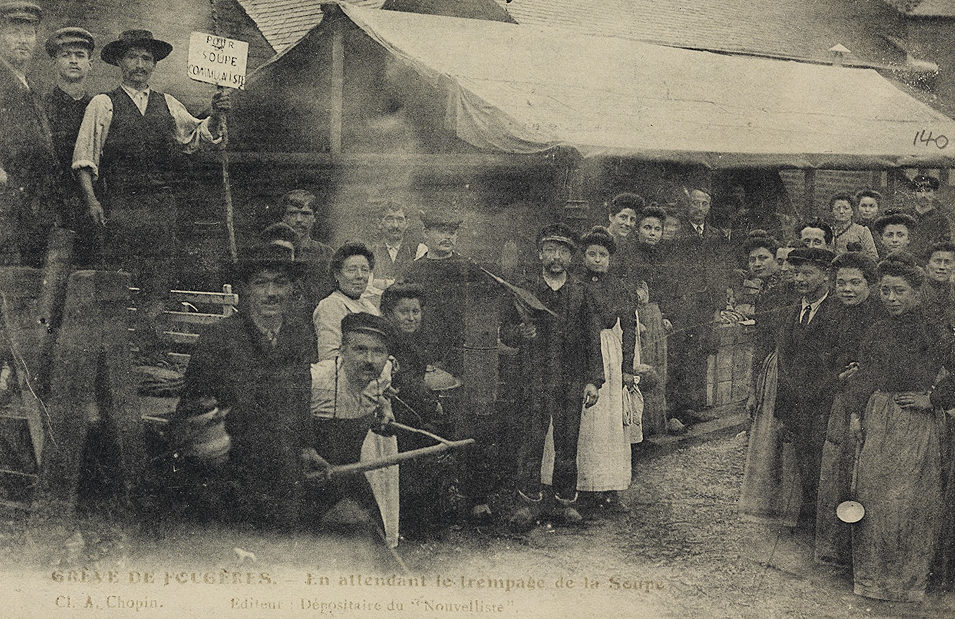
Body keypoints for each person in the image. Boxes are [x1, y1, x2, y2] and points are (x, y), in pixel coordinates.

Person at [72, 29, 230, 361]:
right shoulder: (104, 104)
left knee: (159, 278)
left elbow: (197, 137)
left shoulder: (168, 103)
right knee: (119, 276)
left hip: (161, 207)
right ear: (119, 61)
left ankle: (149, 346)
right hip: (121, 205)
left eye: (147, 58)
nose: (140, 64)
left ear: (154, 64)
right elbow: (85, 157)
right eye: (133, 57)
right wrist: (92, 200)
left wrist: (215, 114)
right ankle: (115, 351)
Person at [170, 241, 317, 530]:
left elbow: (302, 396)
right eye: (261, 283)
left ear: (291, 290)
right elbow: (193, 410)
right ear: (245, 290)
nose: (272, 293)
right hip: (230, 477)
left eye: (280, 283)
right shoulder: (217, 340)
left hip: (285, 473)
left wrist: (307, 447)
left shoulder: (299, 335)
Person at [846, 253, 955, 601]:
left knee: (910, 502)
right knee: (873, 498)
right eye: (886, 291)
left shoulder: (932, 330)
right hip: (879, 417)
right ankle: (872, 580)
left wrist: (934, 399)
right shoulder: (877, 329)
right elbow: (866, 374)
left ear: (916, 293)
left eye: (900, 291)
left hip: (915, 424)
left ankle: (908, 584)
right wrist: (856, 412)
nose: (891, 298)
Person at [502, 223, 601, 530]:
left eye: (563, 252)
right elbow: (504, 331)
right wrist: (521, 332)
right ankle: (528, 503)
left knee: (568, 442)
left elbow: (591, 339)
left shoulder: (581, 293)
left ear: (572, 257)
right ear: (539, 253)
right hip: (535, 378)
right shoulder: (525, 290)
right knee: (531, 440)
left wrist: (593, 380)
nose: (556, 257)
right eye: (550, 251)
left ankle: (564, 501)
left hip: (571, 381)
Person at [814, 252, 883, 566]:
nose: (847, 289)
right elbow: (825, 362)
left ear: (870, 283)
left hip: (870, 403)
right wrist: (835, 376)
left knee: (864, 473)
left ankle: (864, 551)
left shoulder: (880, 316)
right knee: (838, 471)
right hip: (841, 401)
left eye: (856, 282)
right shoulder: (833, 313)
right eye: (841, 282)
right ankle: (839, 547)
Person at [309, 312, 401, 548]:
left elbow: (381, 393)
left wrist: (385, 407)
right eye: (359, 350)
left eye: (378, 352)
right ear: (342, 351)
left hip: (352, 468)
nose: (369, 360)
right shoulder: (316, 380)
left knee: (374, 532)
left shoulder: (383, 375)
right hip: (311, 469)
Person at [567, 227, 637, 511]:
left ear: (610, 259)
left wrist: (628, 367)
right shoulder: (573, 284)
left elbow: (629, 327)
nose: (597, 260)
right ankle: (579, 486)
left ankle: (608, 487)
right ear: (583, 256)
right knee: (581, 421)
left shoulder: (618, 287)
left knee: (607, 422)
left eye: (603, 255)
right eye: (592, 254)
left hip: (608, 353)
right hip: (577, 351)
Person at [774, 246, 841, 528]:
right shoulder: (794, 310)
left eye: (808, 273)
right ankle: (806, 520)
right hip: (797, 404)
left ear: (826, 275)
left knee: (822, 465)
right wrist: (783, 410)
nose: (800, 279)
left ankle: (819, 525)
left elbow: (836, 364)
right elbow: (784, 361)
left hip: (824, 402)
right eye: (796, 272)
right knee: (802, 462)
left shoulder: (838, 311)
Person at [739, 233, 801, 527]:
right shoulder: (765, 294)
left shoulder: (788, 292)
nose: (757, 263)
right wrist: (752, 388)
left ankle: (786, 507)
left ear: (776, 261)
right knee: (767, 437)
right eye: (752, 259)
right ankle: (769, 504)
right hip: (769, 367)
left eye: (763, 258)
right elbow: (760, 344)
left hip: (788, 367)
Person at [379, 283, 446, 536]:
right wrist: (432, 404)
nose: (410, 318)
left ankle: (418, 520)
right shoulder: (389, 340)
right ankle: (409, 523)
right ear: (389, 313)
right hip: (395, 409)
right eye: (403, 312)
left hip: (410, 407)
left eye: (415, 311)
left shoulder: (414, 339)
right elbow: (405, 379)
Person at [0, 2, 58, 266]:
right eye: (14, 32)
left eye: (30, 33)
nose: (23, 40)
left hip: (30, 206)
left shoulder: (29, 86)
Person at [667, 188, 726, 422]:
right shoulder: (677, 234)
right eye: (695, 203)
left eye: (704, 204)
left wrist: (719, 306)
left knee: (701, 352)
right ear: (688, 205)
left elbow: (721, 271)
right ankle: (678, 409)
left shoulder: (715, 235)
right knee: (680, 354)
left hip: (706, 303)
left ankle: (697, 405)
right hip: (684, 303)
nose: (699, 208)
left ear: (709, 207)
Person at [43, 27, 97, 265]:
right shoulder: (41, 107)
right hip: (51, 205)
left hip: (91, 206)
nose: (73, 60)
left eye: (80, 55)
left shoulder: (100, 107)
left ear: (90, 64)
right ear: (55, 62)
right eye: (66, 55)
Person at [622, 206, 670, 437]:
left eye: (657, 229)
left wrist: (666, 316)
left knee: (657, 366)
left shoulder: (663, 256)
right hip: (638, 316)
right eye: (647, 227)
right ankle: (638, 428)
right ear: (638, 229)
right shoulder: (629, 254)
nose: (652, 233)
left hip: (655, 315)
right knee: (642, 366)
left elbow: (667, 289)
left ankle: (654, 426)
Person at [313, 242, 379, 360]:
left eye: (364, 270)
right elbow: (330, 356)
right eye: (351, 270)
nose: (359, 276)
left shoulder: (369, 306)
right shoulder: (331, 305)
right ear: (337, 274)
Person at [278, 189, 335, 310]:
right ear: (283, 217)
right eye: (292, 213)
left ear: (314, 217)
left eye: (305, 214)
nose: (299, 219)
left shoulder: (326, 254)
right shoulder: (272, 252)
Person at [906, 174, 952, 261]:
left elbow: (944, 246)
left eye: (928, 191)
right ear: (913, 193)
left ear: (934, 193)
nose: (923, 195)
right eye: (919, 191)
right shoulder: (906, 216)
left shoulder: (941, 219)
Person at [369, 200, 415, 283]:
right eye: (389, 220)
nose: (395, 225)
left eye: (400, 220)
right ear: (379, 223)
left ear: (407, 223)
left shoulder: (418, 250)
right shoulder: (370, 252)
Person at [828, 192, 878, 260]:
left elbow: (874, 257)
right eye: (837, 208)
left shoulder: (862, 231)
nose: (841, 212)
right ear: (832, 211)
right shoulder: (828, 231)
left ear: (852, 211)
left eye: (846, 208)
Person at [920, 240, 955, 332]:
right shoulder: (918, 292)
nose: (942, 267)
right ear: (927, 264)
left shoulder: (953, 291)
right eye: (937, 261)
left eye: (947, 262)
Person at [855, 188, 884, 256]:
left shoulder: (882, 228)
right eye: (863, 206)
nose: (867, 210)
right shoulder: (854, 228)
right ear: (857, 207)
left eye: (871, 206)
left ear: (878, 208)